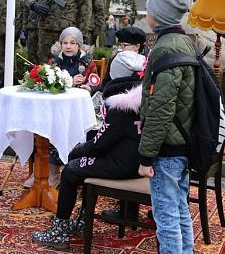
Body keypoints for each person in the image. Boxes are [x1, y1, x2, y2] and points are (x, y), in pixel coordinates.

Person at [32, 52, 144, 250]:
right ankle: (83, 220)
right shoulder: (145, 98)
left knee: (71, 171)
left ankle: (60, 232)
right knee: (84, 162)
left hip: (122, 164)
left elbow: (99, 145)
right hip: (138, 160)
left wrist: (75, 151)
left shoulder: (121, 105)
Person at [138, 0, 196, 254]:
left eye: (148, 10)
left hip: (168, 148)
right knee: (179, 208)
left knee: (166, 216)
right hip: (181, 141)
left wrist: (146, 155)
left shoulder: (166, 48)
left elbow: (161, 108)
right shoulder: (183, 40)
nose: (146, 15)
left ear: (158, 16)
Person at [23, 27, 97, 189]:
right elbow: (48, 83)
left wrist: (88, 87)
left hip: (75, 112)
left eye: (73, 43)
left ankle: (65, 172)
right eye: (65, 43)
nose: (68, 46)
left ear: (79, 45)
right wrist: (69, 80)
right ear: (60, 44)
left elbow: (96, 83)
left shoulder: (87, 63)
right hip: (54, 110)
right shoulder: (54, 62)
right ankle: (44, 171)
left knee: (68, 131)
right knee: (43, 128)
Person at [21, 0, 49, 64]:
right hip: (32, 28)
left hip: (45, 28)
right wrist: (23, 30)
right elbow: (25, 12)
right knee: (32, 57)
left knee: (44, 56)